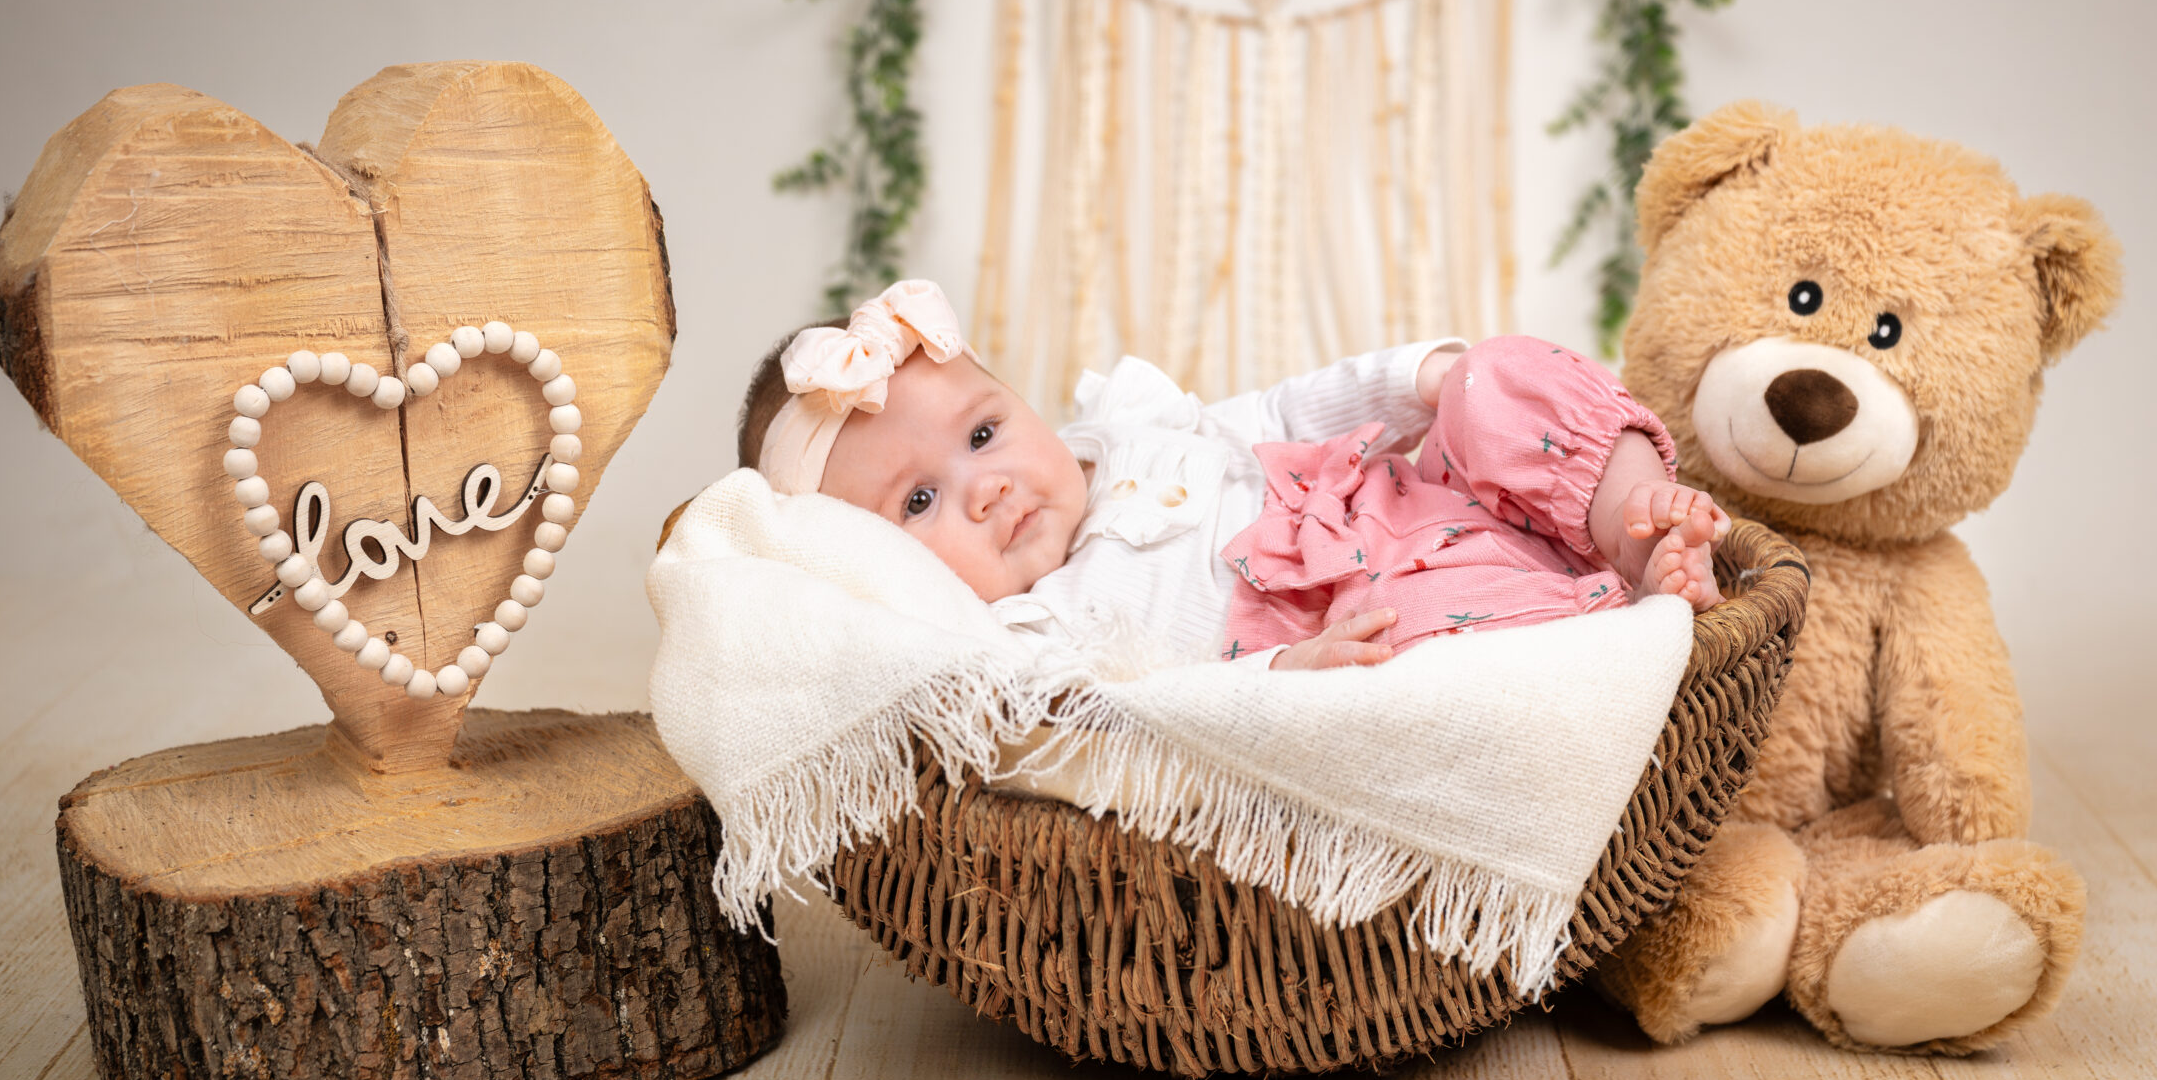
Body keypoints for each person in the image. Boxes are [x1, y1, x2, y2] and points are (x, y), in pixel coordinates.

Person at [738, 280, 1724, 672]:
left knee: (1494, 374)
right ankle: (1622, 617)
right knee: (1409, 660)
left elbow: (1280, 418)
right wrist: (1284, 674)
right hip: (1363, 613)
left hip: (1415, 497)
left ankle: (1624, 515)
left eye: (984, 433)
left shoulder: (1128, 428)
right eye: (919, 502)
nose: (984, 486)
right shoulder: (1032, 637)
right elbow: (1156, 724)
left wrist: (1409, 382)